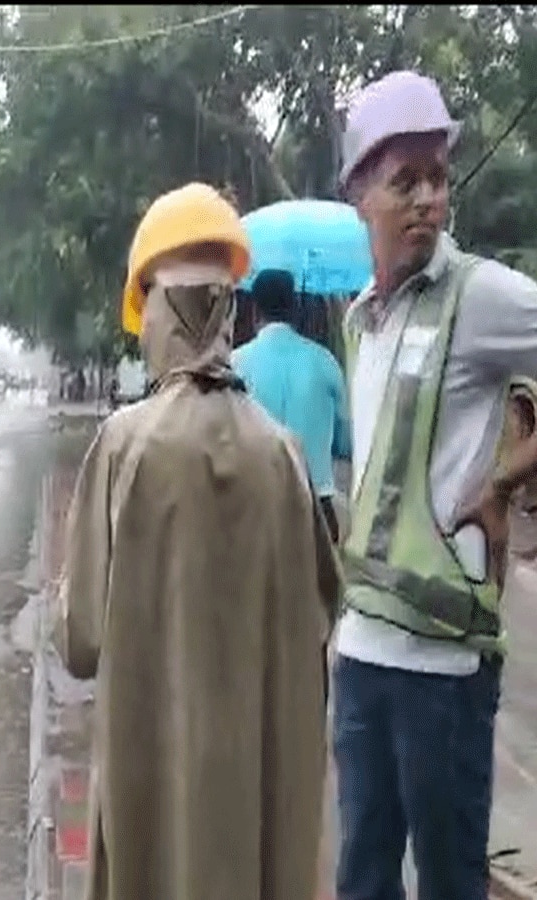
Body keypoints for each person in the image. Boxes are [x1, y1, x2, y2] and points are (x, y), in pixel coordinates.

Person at [59, 183, 342, 900]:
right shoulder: (283, 457)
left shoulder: (124, 448)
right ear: (227, 307)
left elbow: (81, 640)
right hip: (253, 802)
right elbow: (323, 607)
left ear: (155, 308)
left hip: (153, 791)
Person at [332, 70, 537, 900]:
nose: (426, 199)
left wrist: (509, 476)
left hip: (445, 672)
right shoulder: (358, 320)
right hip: (361, 657)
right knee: (363, 877)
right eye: (403, 180)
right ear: (360, 194)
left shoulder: (480, 296)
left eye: (438, 178)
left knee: (451, 883)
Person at [232, 268, 352, 542]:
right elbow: (346, 441)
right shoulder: (325, 361)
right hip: (316, 510)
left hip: (254, 509)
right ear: (295, 309)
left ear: (254, 312)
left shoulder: (235, 364)